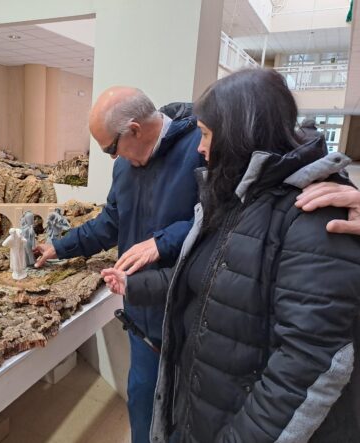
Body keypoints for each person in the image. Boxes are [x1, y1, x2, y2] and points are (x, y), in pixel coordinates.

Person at [102, 69, 360, 443]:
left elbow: (307, 366)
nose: (200, 148)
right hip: (207, 410)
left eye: (206, 135)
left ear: (241, 133)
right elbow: (206, 278)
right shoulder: (234, 199)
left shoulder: (316, 214)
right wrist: (134, 285)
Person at [34, 86, 204, 442]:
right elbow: (111, 223)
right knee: (141, 407)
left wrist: (163, 241)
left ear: (135, 130)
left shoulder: (201, 150)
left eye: (111, 148)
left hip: (190, 318)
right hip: (142, 318)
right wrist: (59, 246)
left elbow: (220, 223)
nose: (112, 158)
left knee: (186, 419)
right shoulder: (126, 168)